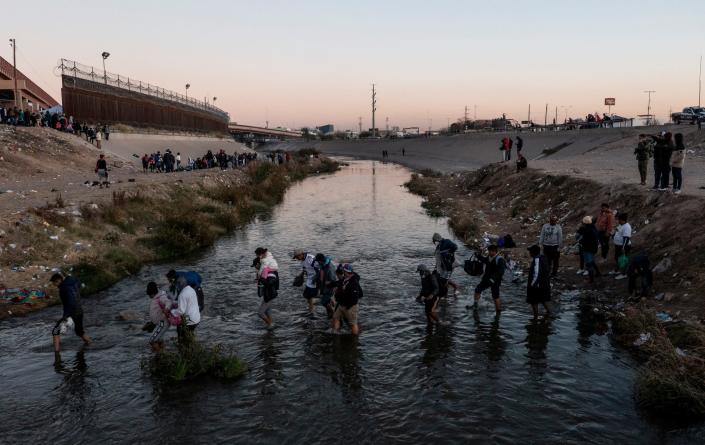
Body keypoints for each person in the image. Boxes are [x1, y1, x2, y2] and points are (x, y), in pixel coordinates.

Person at [50, 273, 91, 353]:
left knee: (56, 331)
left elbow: (71, 302)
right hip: (79, 310)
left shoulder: (63, 288)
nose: (54, 285)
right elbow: (78, 284)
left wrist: (65, 316)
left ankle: (56, 353)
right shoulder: (72, 282)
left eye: (54, 282)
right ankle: (90, 343)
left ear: (58, 280)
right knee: (79, 332)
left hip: (71, 313)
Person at [473, 245, 506, 314]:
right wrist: (478, 255)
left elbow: (501, 272)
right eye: (488, 251)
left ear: (494, 251)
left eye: (490, 251)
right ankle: (475, 305)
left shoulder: (500, 259)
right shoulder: (489, 257)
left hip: (495, 281)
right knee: (477, 290)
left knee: (495, 296)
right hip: (486, 279)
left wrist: (493, 279)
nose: (489, 252)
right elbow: (484, 260)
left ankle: (498, 311)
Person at [333, 264, 361, 335]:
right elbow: (340, 285)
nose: (342, 272)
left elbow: (355, 298)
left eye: (343, 271)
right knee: (336, 318)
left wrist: (348, 306)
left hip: (350, 306)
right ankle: (336, 333)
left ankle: (355, 337)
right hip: (341, 304)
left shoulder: (354, 283)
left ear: (346, 272)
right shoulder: (345, 278)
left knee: (352, 324)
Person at [171, 276, 201, 343]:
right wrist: (175, 302)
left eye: (177, 285)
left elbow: (181, 311)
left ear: (180, 284)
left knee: (180, 333)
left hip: (189, 322)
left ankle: (183, 347)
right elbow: (188, 301)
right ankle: (191, 345)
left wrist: (172, 311)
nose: (176, 287)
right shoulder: (191, 289)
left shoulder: (182, 294)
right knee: (190, 336)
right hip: (196, 319)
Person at [255, 247, 279, 328]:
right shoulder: (264, 271)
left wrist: (260, 277)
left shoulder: (270, 273)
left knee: (260, 313)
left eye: (256, 265)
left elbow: (269, 283)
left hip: (270, 295)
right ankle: (270, 325)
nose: (256, 267)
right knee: (267, 311)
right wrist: (258, 275)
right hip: (268, 294)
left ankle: (270, 325)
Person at [145, 281, 173, 352]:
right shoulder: (157, 296)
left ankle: (162, 355)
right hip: (160, 323)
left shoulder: (160, 297)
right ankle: (163, 353)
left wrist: (166, 309)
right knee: (159, 340)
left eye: (149, 294)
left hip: (162, 323)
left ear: (152, 292)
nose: (149, 296)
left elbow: (168, 302)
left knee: (152, 341)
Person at [526, 245, 551, 320]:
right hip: (544, 284)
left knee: (533, 301)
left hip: (537, 285)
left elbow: (537, 273)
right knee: (543, 299)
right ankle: (549, 313)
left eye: (530, 251)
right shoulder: (543, 258)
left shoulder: (536, 259)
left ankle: (535, 318)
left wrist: (532, 285)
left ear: (533, 252)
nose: (529, 253)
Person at [292, 249, 320, 313]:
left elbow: (319, 269)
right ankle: (313, 305)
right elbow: (305, 269)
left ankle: (311, 311)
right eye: (295, 257)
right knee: (307, 296)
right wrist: (300, 275)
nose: (297, 259)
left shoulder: (311, 258)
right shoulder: (302, 261)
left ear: (301, 254)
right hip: (309, 280)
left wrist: (316, 279)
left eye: (297, 257)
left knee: (310, 295)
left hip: (314, 280)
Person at [576, 216, 600, 283]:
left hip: (588, 248)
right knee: (592, 261)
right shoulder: (593, 228)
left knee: (589, 264)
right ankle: (598, 273)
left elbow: (584, 239)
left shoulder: (587, 230)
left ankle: (591, 279)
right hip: (593, 248)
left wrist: (580, 241)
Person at [315, 253, 338, 319]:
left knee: (324, 302)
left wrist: (329, 282)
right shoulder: (322, 265)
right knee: (327, 302)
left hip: (329, 288)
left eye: (318, 261)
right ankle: (330, 316)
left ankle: (335, 314)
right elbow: (320, 273)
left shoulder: (330, 267)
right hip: (323, 287)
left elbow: (334, 280)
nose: (317, 262)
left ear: (321, 260)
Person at [612, 213, 632, 279]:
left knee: (623, 260)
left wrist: (623, 247)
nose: (618, 221)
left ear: (623, 220)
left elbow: (626, 238)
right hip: (618, 245)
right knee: (617, 258)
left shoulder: (627, 227)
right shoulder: (621, 225)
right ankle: (616, 270)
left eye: (619, 220)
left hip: (623, 246)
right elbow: (617, 231)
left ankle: (624, 273)